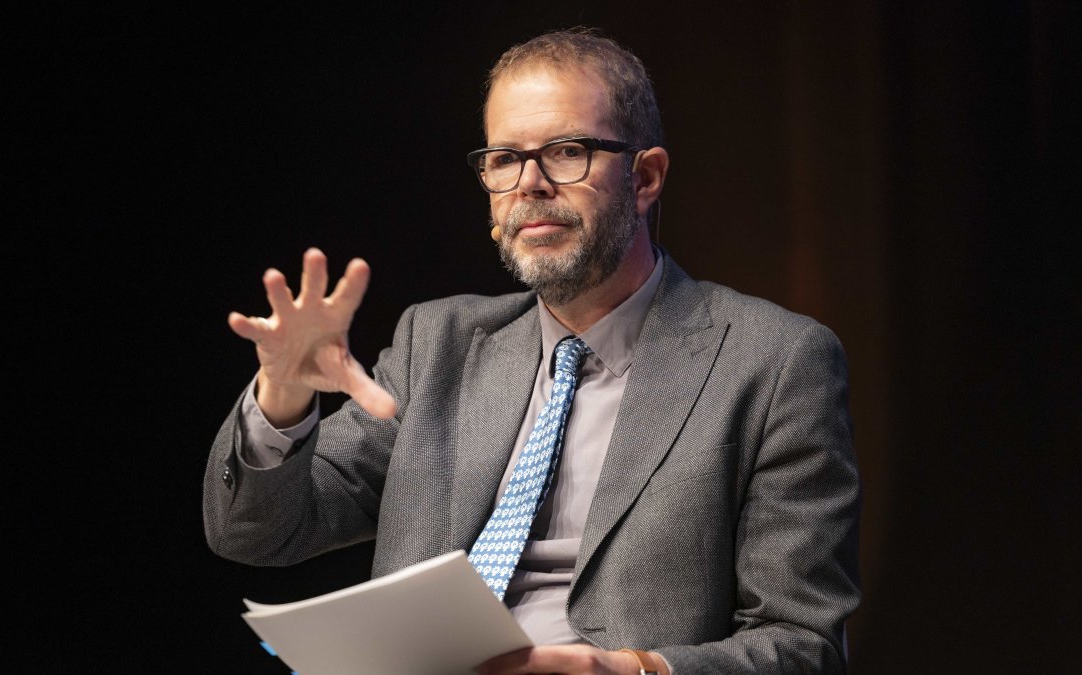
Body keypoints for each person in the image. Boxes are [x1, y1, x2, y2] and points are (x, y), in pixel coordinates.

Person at [204, 28, 860, 674]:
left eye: (566, 151)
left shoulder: (774, 362)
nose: (531, 183)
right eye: (504, 159)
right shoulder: (438, 343)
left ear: (647, 176)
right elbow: (260, 532)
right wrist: (284, 400)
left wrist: (632, 670)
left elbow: (804, 645)